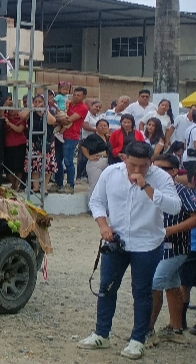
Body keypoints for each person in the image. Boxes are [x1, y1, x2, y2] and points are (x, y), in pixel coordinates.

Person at [79, 142, 181, 359]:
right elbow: (96, 201)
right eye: (133, 164)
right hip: (117, 240)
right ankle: (101, 333)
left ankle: (138, 339)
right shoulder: (110, 173)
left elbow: (175, 207)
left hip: (147, 243)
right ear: (124, 158)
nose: (137, 170)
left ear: (150, 162)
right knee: (107, 287)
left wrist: (147, 187)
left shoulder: (160, 178)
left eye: (143, 165)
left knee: (142, 291)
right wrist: (103, 225)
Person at [146, 154, 196, 345]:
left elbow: (194, 217)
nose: (157, 172)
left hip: (176, 246)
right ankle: (175, 328)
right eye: (154, 168)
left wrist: (169, 231)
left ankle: (147, 330)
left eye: (163, 168)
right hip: (157, 246)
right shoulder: (151, 189)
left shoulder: (182, 191)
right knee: (172, 284)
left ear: (174, 171)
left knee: (154, 283)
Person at [22, 94, 58, 195]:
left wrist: (45, 110)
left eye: (40, 102)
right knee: (34, 165)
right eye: (36, 101)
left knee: (47, 165)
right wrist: (31, 108)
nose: (38, 104)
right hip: (34, 142)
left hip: (47, 142)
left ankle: (44, 187)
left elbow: (52, 121)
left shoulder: (49, 111)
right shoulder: (31, 113)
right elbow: (22, 116)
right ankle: (36, 187)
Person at [54, 87, 88, 194]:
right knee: (57, 160)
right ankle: (58, 183)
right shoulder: (69, 104)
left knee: (68, 161)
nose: (76, 97)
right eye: (74, 95)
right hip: (60, 135)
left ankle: (70, 185)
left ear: (84, 97)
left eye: (79, 95)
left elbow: (68, 120)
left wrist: (56, 119)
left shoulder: (83, 108)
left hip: (71, 137)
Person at [81, 119, 112, 197]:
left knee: (104, 185)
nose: (103, 127)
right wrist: (88, 156)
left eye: (105, 126)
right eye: (101, 125)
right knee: (94, 185)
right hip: (96, 161)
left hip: (106, 161)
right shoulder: (93, 137)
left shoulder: (107, 138)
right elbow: (84, 147)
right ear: (97, 127)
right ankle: (90, 203)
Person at [3, 103, 27, 190]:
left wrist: (9, 124)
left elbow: (19, 129)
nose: (11, 110)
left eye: (13, 108)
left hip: (20, 144)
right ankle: (13, 184)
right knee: (7, 168)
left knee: (19, 167)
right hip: (8, 145)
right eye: (9, 108)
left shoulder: (21, 118)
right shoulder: (5, 117)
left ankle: (16, 185)